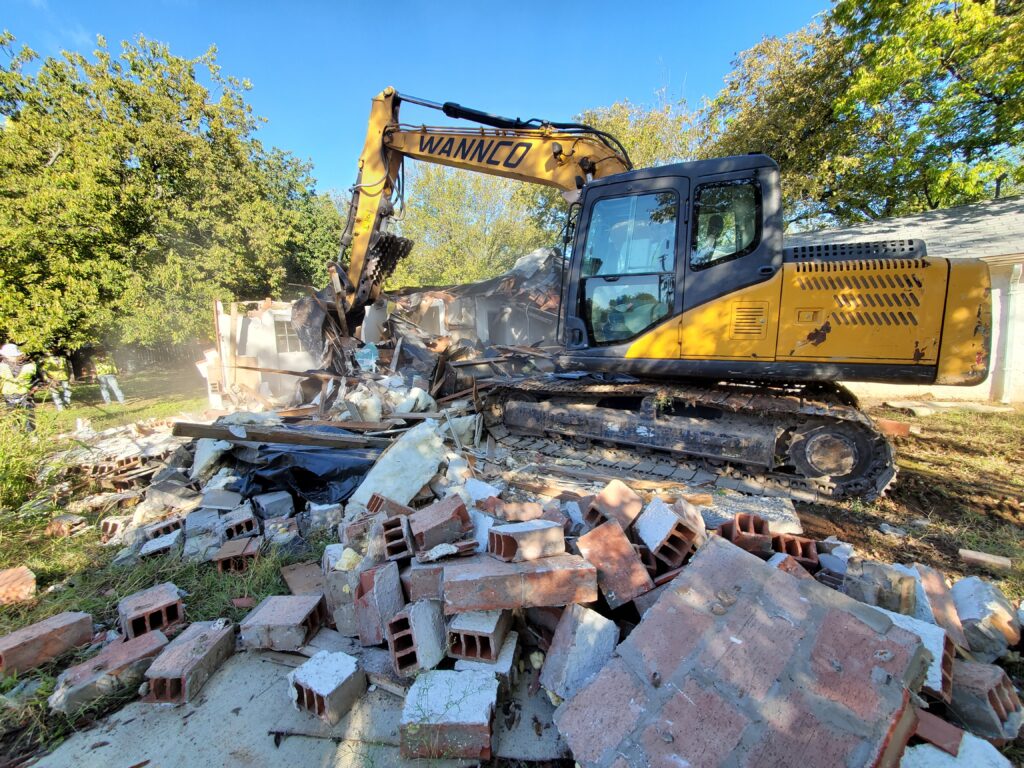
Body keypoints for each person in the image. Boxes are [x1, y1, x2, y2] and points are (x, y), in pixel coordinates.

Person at [1, 343, 38, 428]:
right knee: (13, 419)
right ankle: (19, 437)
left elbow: (37, 380)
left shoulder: (30, 366)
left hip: (26, 395)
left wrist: (34, 388)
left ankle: (32, 437)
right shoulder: (2, 366)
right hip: (8, 396)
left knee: (28, 418)